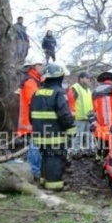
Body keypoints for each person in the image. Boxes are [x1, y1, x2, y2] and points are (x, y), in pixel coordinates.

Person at [29, 63, 76, 191]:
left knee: (46, 156)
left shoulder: (37, 93)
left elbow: (30, 115)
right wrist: (71, 128)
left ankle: (44, 181)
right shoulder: (58, 93)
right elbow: (64, 114)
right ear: (59, 78)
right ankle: (54, 186)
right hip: (54, 134)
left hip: (39, 133)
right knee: (55, 158)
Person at [89, 68, 112, 162]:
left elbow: (95, 109)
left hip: (99, 124)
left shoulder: (95, 90)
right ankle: (111, 163)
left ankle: (98, 160)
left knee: (101, 144)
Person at [17, 52, 45, 181]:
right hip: (30, 121)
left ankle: (35, 169)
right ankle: (33, 171)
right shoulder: (30, 82)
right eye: (41, 65)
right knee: (35, 146)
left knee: (35, 146)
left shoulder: (35, 81)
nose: (43, 67)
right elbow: (34, 101)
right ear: (34, 66)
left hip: (33, 120)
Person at [67, 71, 94, 157]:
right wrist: (72, 114)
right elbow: (70, 102)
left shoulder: (88, 90)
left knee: (89, 136)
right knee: (78, 136)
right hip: (78, 118)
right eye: (87, 78)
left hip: (88, 118)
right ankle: (75, 152)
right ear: (81, 78)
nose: (89, 80)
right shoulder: (75, 88)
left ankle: (91, 151)